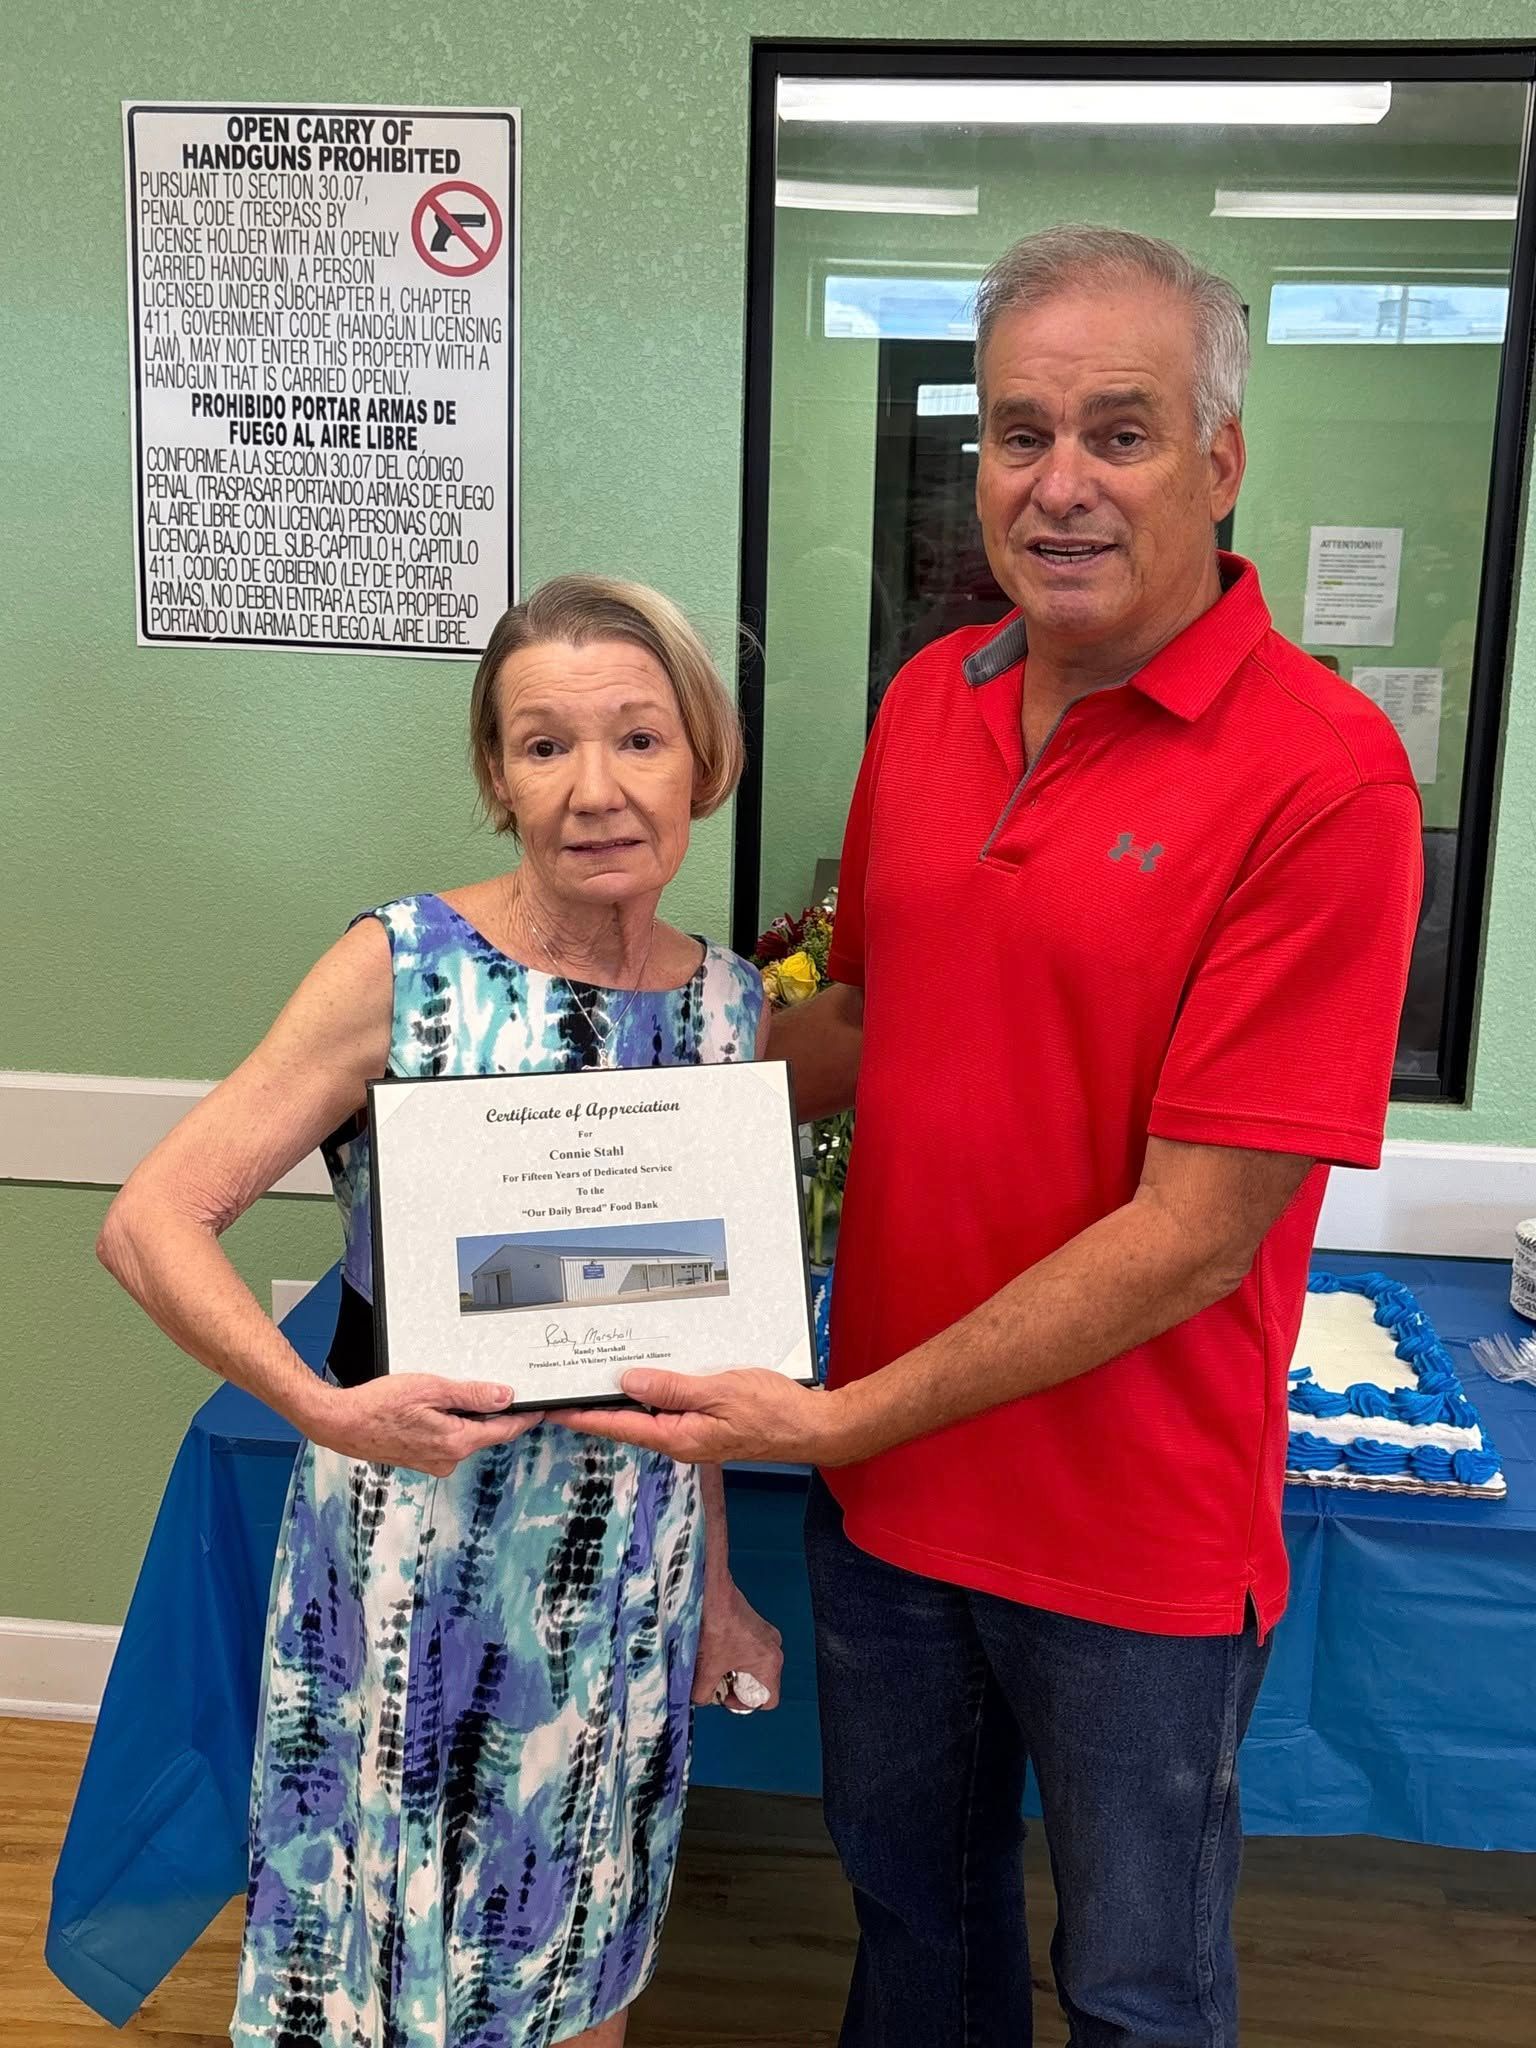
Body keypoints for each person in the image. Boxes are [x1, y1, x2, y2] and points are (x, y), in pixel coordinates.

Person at [569, 228, 1424, 2045]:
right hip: (893, 1511)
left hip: (1132, 1542)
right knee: (916, 1946)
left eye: (1121, 432)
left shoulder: (1327, 776)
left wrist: (839, 1418)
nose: (1060, 484)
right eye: (1020, 433)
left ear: (1221, 460)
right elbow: (867, 1023)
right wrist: (582, 1086)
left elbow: (1195, 1231)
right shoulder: (929, 703)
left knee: (1137, 1989)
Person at [96, 574, 784, 2048]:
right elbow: (151, 1220)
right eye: (544, 745)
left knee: (591, 1948)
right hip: (421, 1561)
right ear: (495, 773)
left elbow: (693, 1347)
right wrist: (320, 1407)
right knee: (401, 1971)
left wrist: (719, 1584)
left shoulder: (728, 1008)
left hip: (632, 1574)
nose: (594, 789)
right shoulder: (404, 971)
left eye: (639, 739)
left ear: (703, 761)